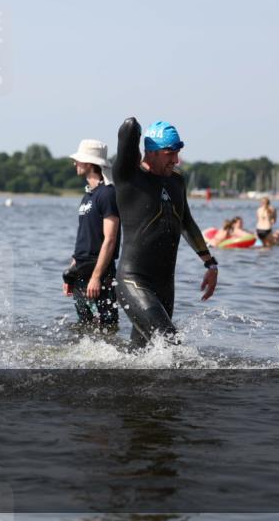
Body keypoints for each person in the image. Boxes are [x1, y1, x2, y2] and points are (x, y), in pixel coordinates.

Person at [112, 118, 218, 349]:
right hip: (133, 280)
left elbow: (187, 223)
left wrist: (210, 264)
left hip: (164, 286)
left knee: (143, 355)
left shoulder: (177, 182)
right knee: (171, 344)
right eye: (170, 153)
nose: (176, 160)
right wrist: (140, 130)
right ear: (152, 152)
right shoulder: (129, 177)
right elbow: (128, 128)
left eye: (178, 152)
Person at [62, 139, 120, 330]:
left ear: (88, 163)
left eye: (78, 160)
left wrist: (96, 277)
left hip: (99, 271)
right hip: (81, 270)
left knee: (106, 326)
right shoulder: (88, 196)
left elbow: (110, 239)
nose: (74, 164)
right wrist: (71, 272)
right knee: (85, 327)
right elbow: (84, 237)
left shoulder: (107, 194)